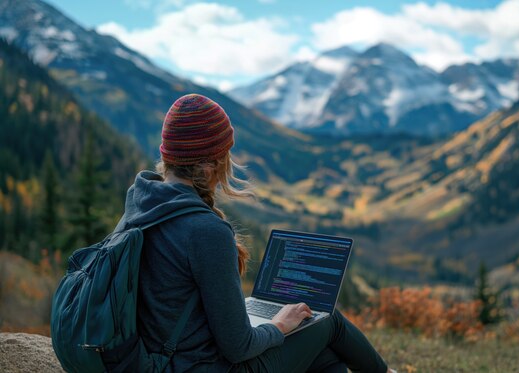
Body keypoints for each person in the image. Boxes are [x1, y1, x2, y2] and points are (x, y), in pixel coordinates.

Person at [116, 93, 393, 372]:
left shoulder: (142, 202)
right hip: (198, 366)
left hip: (156, 359)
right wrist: (278, 325)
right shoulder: (206, 231)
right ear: (213, 162)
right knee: (328, 322)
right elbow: (239, 347)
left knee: (326, 360)